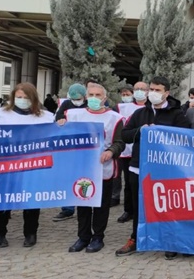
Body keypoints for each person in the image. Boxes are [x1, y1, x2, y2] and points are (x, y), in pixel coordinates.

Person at [114, 76, 191, 259]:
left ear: (167, 93)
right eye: (151, 89)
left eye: (157, 90)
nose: (153, 93)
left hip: (166, 170)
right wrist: (141, 131)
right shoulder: (140, 114)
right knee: (138, 205)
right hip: (139, 167)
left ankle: (169, 241)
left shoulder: (177, 114)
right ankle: (136, 238)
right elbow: (125, 135)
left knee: (167, 205)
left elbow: (185, 138)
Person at [63, 83, 125, 253]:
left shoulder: (114, 118)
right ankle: (83, 237)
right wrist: (60, 124)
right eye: (91, 95)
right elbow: (60, 135)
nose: (94, 98)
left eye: (98, 95)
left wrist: (111, 151)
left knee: (101, 205)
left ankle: (98, 237)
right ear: (85, 97)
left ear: (104, 98)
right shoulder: (74, 115)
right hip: (81, 169)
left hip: (102, 168)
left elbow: (120, 142)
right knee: (82, 202)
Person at [0, 83, 54, 248]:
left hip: (33, 165)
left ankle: (30, 233)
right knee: (2, 200)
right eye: (18, 97)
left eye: (26, 97)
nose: (21, 100)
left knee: (32, 201)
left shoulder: (46, 117)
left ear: (33, 98)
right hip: (5, 166)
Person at [52, 83, 89, 222]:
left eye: (78, 98)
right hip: (69, 148)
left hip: (86, 149)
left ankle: (85, 202)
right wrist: (60, 121)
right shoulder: (66, 104)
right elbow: (58, 119)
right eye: (74, 99)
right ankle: (67, 209)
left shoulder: (90, 104)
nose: (76, 101)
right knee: (67, 177)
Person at [113, 81, 148, 223]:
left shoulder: (151, 109)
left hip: (145, 152)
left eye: (142, 89)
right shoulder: (122, 107)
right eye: (137, 88)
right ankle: (129, 210)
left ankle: (144, 211)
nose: (139, 91)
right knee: (129, 183)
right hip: (126, 151)